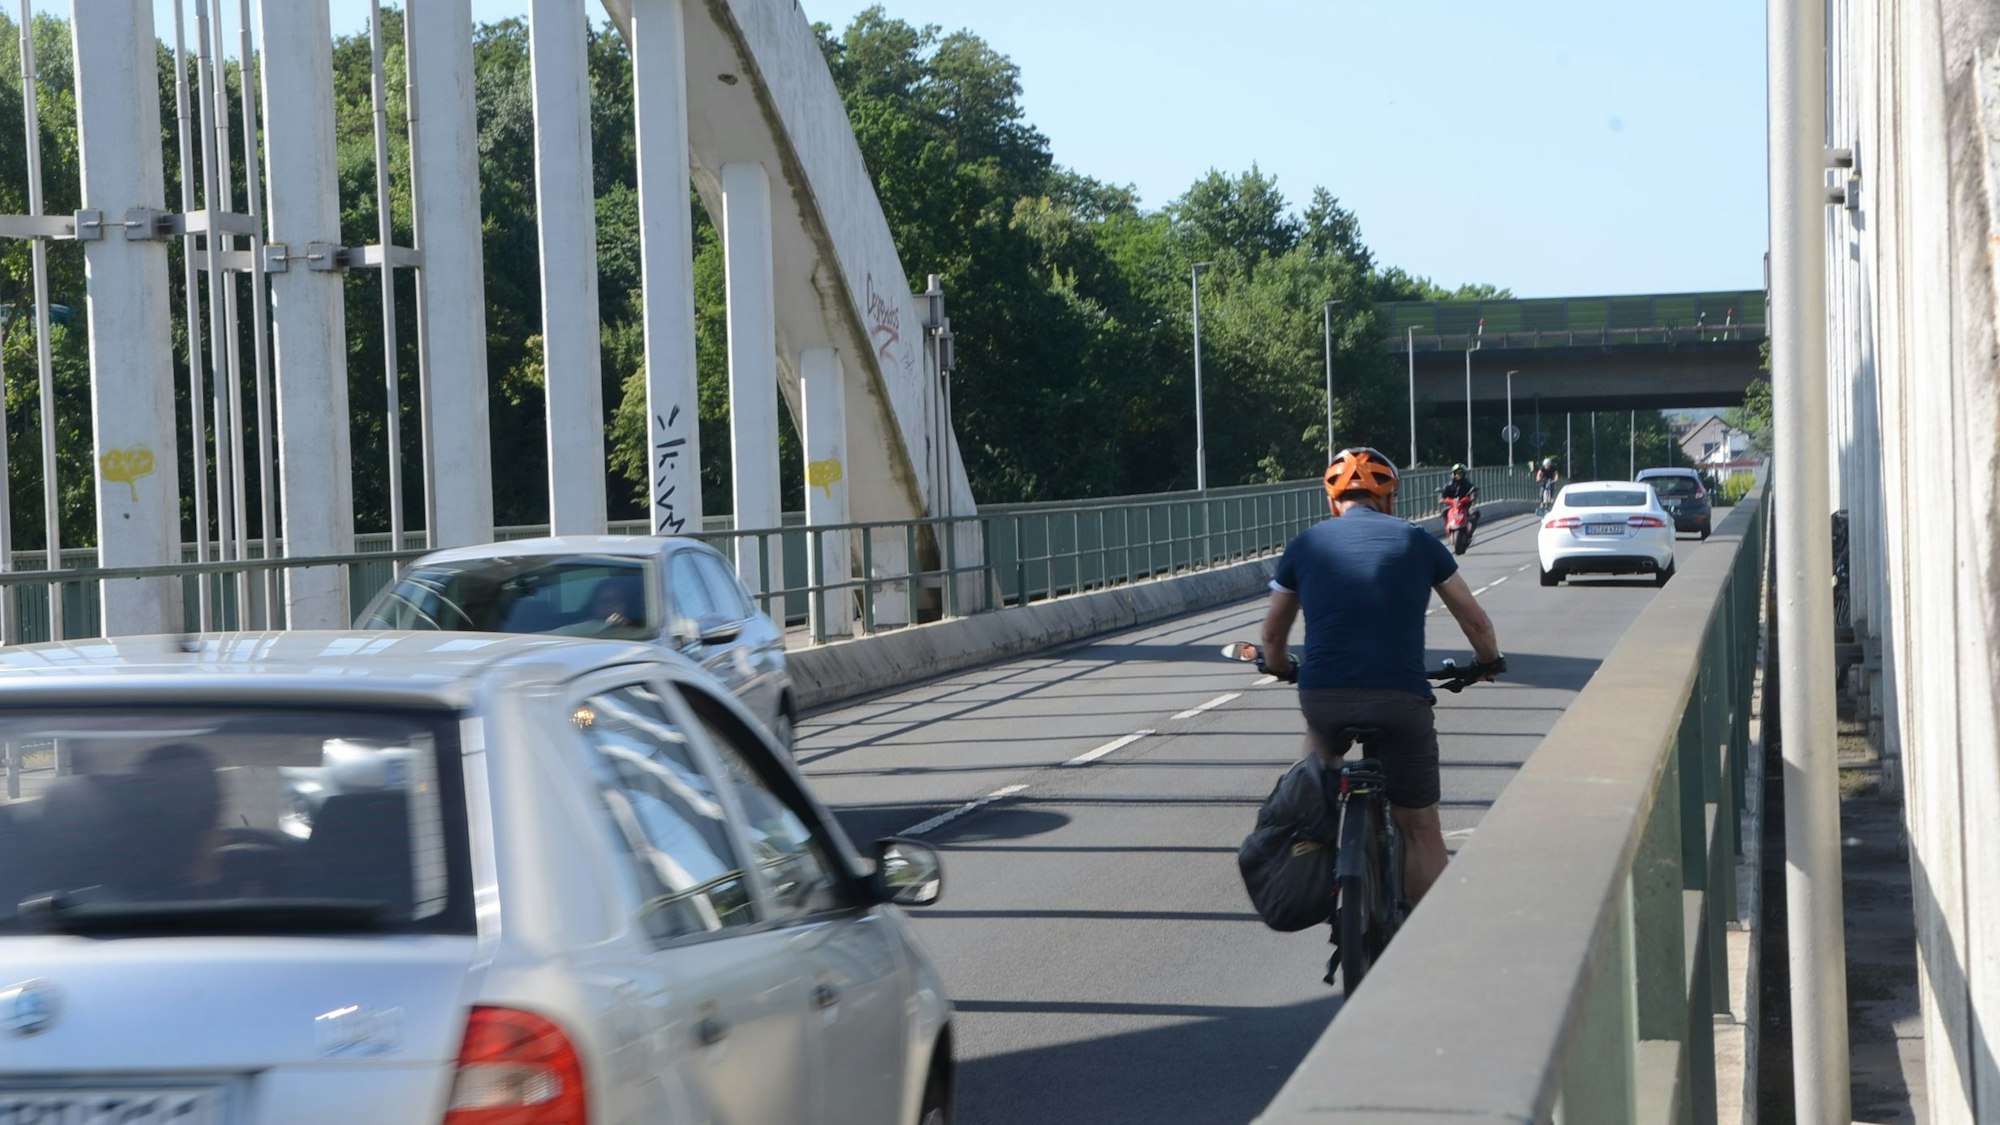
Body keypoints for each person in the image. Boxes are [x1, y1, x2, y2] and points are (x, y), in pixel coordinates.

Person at [1258, 447, 1504, 906]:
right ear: (1390, 498)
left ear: (1332, 502)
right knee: (1420, 825)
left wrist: (1279, 666)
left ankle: (1322, 826)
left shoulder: (1305, 545)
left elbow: (1273, 635)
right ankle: (1425, 942)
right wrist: (1488, 662)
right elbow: (1477, 624)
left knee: (1318, 763)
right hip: (1400, 699)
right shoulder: (1418, 541)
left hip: (1324, 697)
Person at [1437, 463, 1479, 529]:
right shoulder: (1448, 485)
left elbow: (1473, 491)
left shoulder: (1468, 484)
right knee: (1444, 512)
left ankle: (1470, 532)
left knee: (1475, 512)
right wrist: (1441, 498)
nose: (1458, 475)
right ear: (1453, 474)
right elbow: (1443, 494)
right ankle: (1448, 526)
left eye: (1461, 473)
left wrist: (1473, 496)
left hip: (1465, 506)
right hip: (1451, 506)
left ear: (1464, 474)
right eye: (1457, 473)